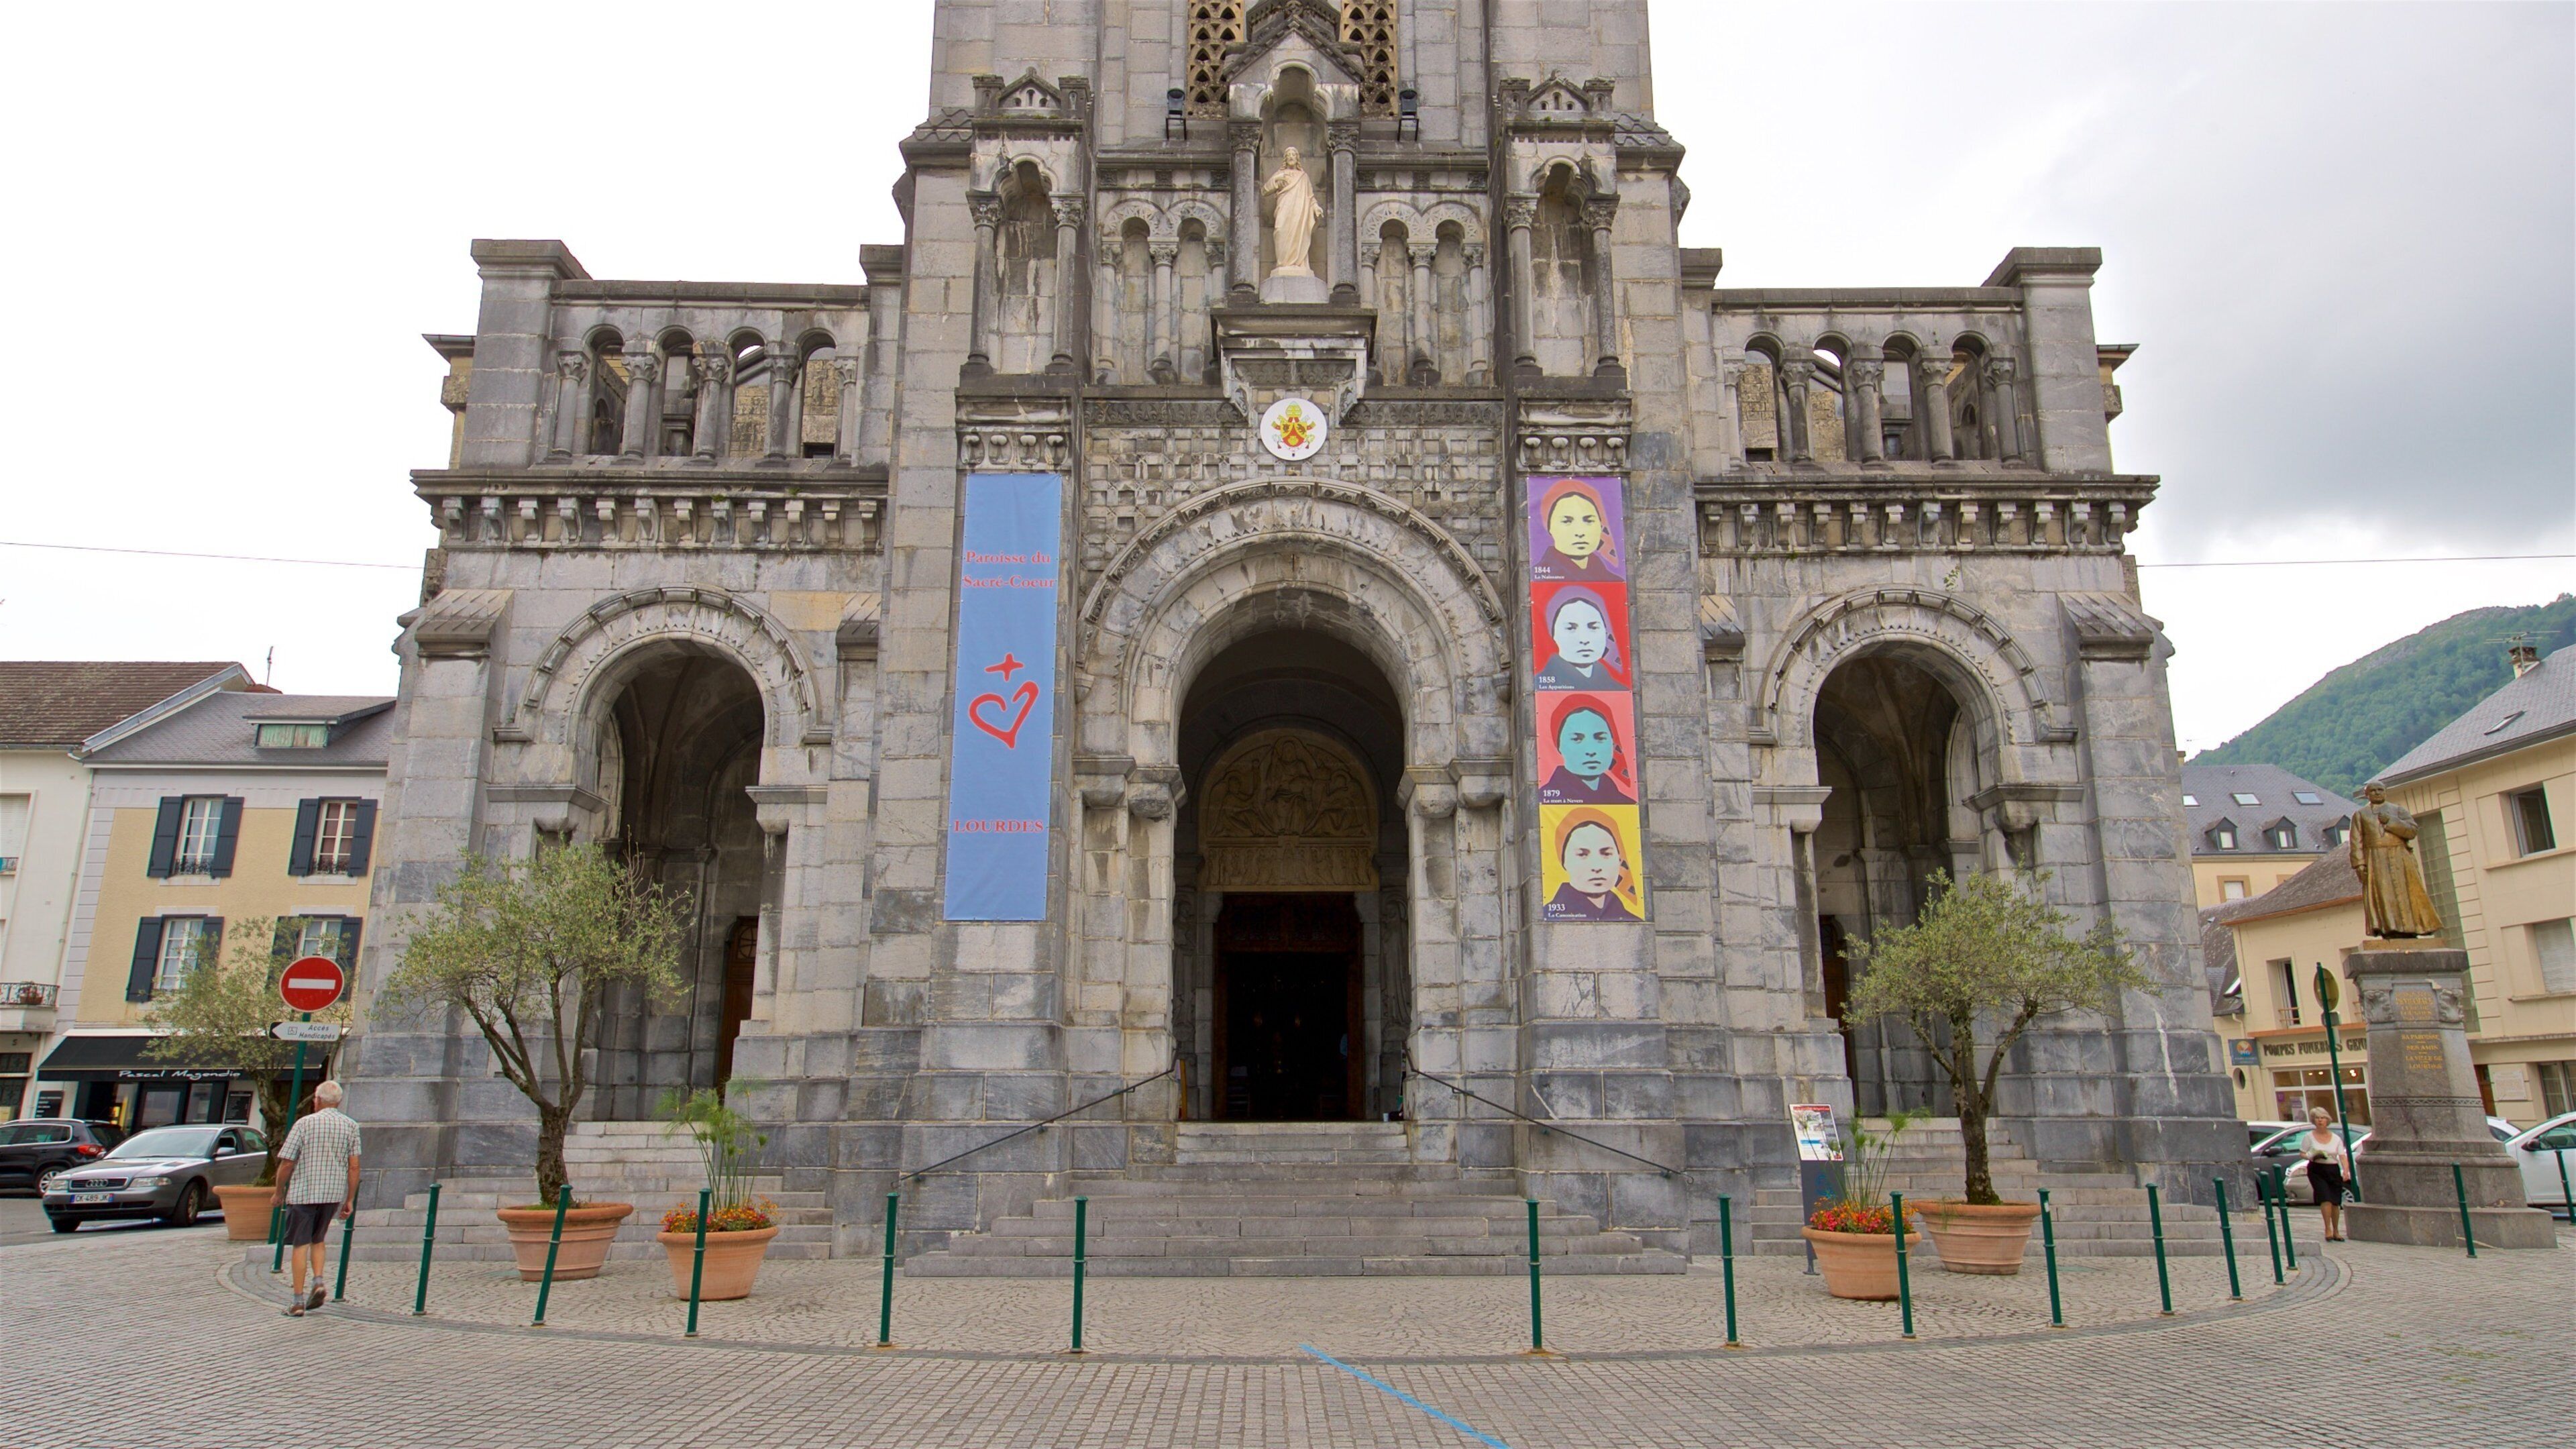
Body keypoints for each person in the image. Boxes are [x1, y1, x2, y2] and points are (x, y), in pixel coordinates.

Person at [270, 1079, 360, 1316]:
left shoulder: (304, 1124)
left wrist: (279, 1191)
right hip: (332, 1193)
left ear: (318, 1100)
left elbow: (287, 1162)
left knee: (300, 1244)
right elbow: (354, 1167)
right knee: (318, 1238)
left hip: (304, 1192)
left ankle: (298, 1301)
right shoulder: (350, 1126)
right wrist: (349, 1199)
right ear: (338, 1101)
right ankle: (318, 1280)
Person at [1545, 807, 1642, 921]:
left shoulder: (1630, 919)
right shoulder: (1551, 916)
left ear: (1619, 859)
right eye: (1582, 855)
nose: (1596, 867)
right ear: (1564, 862)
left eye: (1606, 854)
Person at [1539, 695, 1635, 805]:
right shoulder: (1546, 801)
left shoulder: (1626, 804)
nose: (1591, 751)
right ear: (1559, 746)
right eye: (1577, 739)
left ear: (1613, 744)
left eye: (1600, 738)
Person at [1534, 587, 1630, 691]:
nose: (1584, 639)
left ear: (1605, 633)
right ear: (1554, 635)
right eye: (1571, 628)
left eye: (1593, 628)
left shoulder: (1619, 690)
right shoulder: (1540, 686)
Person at [1532, 480, 1624, 581]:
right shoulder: (1539, 579)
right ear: (1549, 528)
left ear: (1600, 525)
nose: (1580, 533)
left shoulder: (1613, 581)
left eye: (1589, 521)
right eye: (1567, 521)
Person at [2300, 1106, 2351, 1242]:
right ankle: (2327, 1229)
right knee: (2325, 1199)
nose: (2320, 1121)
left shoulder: (2336, 1138)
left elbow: (2342, 1156)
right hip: (2317, 1170)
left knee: (2335, 1202)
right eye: (2317, 1118)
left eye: (2322, 1118)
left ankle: (2336, 1231)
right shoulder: (2309, 1137)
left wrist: (2345, 1170)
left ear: (2327, 1120)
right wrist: (2311, 1156)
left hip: (2332, 1169)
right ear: (2314, 1121)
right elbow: (2303, 1153)